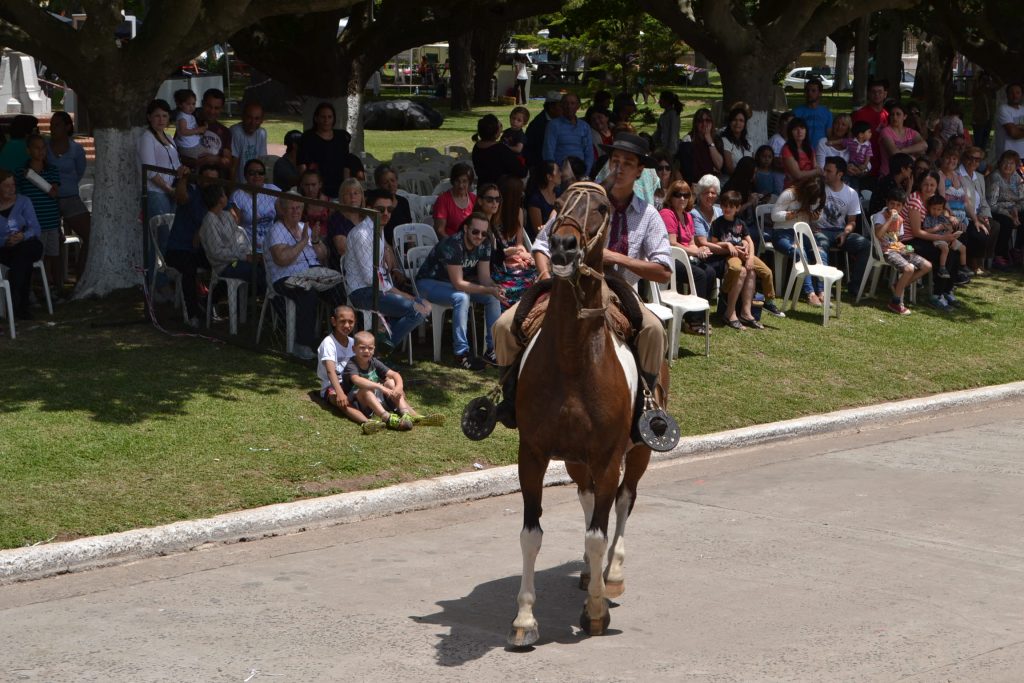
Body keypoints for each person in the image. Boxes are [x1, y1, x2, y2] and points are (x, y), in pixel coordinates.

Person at [491, 132, 671, 429]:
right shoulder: (583, 202)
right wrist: (547, 276)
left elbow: (663, 269)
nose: (620, 168)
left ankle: (646, 407)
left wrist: (615, 258)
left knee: (653, 332)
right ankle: (509, 398)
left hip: (619, 291)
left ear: (640, 171)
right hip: (565, 286)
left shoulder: (649, 215)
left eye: (628, 163)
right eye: (615, 161)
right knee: (502, 327)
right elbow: (542, 244)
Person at [344, 188, 430, 352]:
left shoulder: (378, 229)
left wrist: (403, 294)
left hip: (377, 289)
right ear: (368, 207)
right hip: (362, 292)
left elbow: (379, 276)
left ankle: (378, 343)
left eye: (389, 210)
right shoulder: (362, 234)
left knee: (425, 306)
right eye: (380, 209)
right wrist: (403, 295)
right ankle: (378, 349)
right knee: (417, 310)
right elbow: (370, 279)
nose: (386, 213)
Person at [415, 212, 504, 371]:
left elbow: (484, 278)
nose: (479, 236)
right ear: (465, 229)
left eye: (484, 233)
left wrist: (495, 288)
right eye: (475, 231)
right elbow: (458, 284)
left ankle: (492, 349)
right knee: (462, 297)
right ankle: (461, 353)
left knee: (492, 298)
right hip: (428, 283)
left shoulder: (485, 244)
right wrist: (488, 289)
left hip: (452, 284)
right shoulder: (453, 244)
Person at [265, 191, 346, 360]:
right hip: (286, 277)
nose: (296, 211)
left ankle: (340, 341)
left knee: (340, 289)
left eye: (299, 208)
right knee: (307, 294)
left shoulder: (305, 227)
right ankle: (302, 344)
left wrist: (315, 240)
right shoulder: (276, 229)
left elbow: (323, 256)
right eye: (291, 208)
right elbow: (281, 259)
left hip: (314, 274)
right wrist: (303, 242)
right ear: (282, 210)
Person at [706, 191, 778, 330]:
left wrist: (750, 257)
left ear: (737, 208)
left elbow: (749, 241)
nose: (727, 209)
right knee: (736, 269)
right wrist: (728, 245)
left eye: (731, 206)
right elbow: (714, 243)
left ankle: (769, 301)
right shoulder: (718, 223)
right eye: (725, 206)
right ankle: (725, 293)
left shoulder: (740, 223)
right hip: (731, 255)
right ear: (721, 206)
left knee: (766, 271)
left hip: (745, 255)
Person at [660, 179, 720, 334]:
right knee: (699, 275)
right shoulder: (668, 214)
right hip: (669, 259)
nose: (682, 199)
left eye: (686, 195)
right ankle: (693, 322)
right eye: (677, 195)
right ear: (670, 196)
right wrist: (695, 252)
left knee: (710, 272)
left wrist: (702, 249)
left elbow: (691, 242)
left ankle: (697, 316)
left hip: (685, 258)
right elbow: (672, 243)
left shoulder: (687, 216)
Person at [343, 331, 431, 434]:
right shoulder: (352, 364)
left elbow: (395, 375)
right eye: (362, 348)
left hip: (376, 397)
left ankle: (406, 414)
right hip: (360, 401)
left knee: (391, 382)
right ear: (354, 349)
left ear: (374, 349)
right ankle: (387, 418)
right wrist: (381, 387)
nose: (366, 351)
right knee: (366, 390)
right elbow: (356, 380)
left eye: (370, 348)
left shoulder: (374, 362)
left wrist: (399, 386)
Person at [165, 164, 219, 326]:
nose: (209, 183)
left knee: (226, 264)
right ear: (199, 179)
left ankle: (209, 301)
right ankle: (192, 314)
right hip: (179, 250)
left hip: (202, 250)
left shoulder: (217, 199)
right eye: (206, 179)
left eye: (213, 180)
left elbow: (232, 217)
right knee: (188, 270)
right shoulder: (193, 193)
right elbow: (181, 198)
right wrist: (184, 178)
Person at [903, 171, 961, 310]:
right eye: (926, 184)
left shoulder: (932, 197)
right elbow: (917, 232)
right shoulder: (915, 201)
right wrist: (943, 238)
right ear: (920, 185)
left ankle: (947, 290)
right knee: (944, 255)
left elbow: (943, 210)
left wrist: (950, 216)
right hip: (908, 242)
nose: (929, 188)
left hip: (924, 237)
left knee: (955, 252)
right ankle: (936, 295)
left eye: (932, 185)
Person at [871, 189, 931, 315]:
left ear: (902, 206)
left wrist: (907, 248)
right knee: (909, 269)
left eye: (898, 205)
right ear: (887, 203)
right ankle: (896, 301)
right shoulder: (880, 216)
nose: (895, 207)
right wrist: (889, 221)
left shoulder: (900, 219)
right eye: (892, 204)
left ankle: (897, 286)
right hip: (884, 251)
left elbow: (897, 239)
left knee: (927, 266)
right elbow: (878, 234)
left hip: (897, 249)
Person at [45, 110, 90, 275]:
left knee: (90, 235)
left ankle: (81, 275)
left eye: (56, 125)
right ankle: (56, 285)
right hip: (49, 200)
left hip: (70, 198)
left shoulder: (76, 149)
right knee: (54, 242)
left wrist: (67, 187)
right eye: (51, 125)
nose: (52, 128)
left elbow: (79, 171)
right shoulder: (45, 146)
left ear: (67, 127)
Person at [772, 175, 828, 305]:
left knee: (821, 252)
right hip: (783, 232)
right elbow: (774, 215)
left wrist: (815, 217)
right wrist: (791, 214)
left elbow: (819, 218)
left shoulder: (818, 197)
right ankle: (810, 293)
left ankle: (822, 291)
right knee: (800, 252)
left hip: (803, 233)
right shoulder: (789, 194)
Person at [818, 156, 870, 294]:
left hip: (840, 231)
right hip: (820, 230)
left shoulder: (851, 193)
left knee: (865, 245)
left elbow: (852, 221)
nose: (825, 173)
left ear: (840, 174)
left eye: (829, 171)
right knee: (820, 244)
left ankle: (854, 285)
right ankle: (822, 288)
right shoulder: (819, 188)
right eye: (825, 170)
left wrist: (845, 233)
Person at [199, 182, 265, 291]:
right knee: (255, 272)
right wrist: (244, 257)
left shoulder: (226, 215)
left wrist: (249, 255)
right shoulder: (209, 221)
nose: (227, 197)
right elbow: (216, 252)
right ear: (220, 199)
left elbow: (238, 239)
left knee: (263, 264)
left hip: (237, 260)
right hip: (227, 265)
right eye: (224, 195)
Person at [16, 134, 61, 293]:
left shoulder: (52, 170)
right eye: (37, 148)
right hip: (34, 225)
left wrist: (47, 186)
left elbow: (55, 192)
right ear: (29, 150)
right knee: (36, 258)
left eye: (43, 148)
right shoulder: (21, 173)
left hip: (51, 222)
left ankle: (49, 287)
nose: (41, 151)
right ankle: (33, 290)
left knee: (51, 256)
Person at [0, 169, 44, 320]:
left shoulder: (24, 201)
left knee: (22, 255)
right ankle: (21, 306)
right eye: (6, 186)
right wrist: (4, 241)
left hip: (28, 243)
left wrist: (22, 236)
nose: (11, 189)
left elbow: (36, 228)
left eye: (13, 185)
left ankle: (16, 300)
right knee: (22, 262)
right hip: (5, 249)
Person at [488, 176, 537, 308]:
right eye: (519, 193)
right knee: (518, 284)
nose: (522, 195)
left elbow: (519, 243)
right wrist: (507, 256)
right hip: (497, 264)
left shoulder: (518, 212)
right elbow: (492, 254)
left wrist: (524, 255)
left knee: (539, 276)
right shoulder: (493, 216)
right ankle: (511, 316)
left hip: (513, 258)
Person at [938, 149, 987, 274]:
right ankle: (955, 270)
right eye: (948, 158)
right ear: (942, 159)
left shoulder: (958, 176)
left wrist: (975, 219)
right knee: (960, 232)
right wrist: (952, 216)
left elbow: (966, 202)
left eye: (954, 159)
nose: (951, 161)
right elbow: (942, 200)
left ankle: (962, 268)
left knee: (978, 231)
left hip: (962, 216)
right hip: (947, 215)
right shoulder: (939, 175)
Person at [297, 101, 359, 198]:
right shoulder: (308, 138)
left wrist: (345, 186)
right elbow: (302, 165)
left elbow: (346, 164)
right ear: (316, 118)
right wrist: (307, 187)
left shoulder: (341, 137)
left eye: (330, 117)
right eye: (323, 117)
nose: (326, 120)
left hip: (338, 186)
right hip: (316, 188)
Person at [138, 99, 181, 219]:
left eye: (164, 116)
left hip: (172, 191)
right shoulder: (147, 138)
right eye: (157, 116)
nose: (161, 120)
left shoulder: (169, 138)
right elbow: (150, 171)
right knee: (163, 233)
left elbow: (176, 164)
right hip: (157, 193)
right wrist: (169, 190)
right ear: (149, 117)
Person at [316, 305, 360, 421]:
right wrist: (340, 393)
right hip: (332, 387)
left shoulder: (353, 343)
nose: (347, 325)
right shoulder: (328, 343)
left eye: (350, 322)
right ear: (334, 321)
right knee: (340, 401)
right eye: (342, 321)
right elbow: (330, 371)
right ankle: (366, 422)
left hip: (350, 384)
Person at [228, 158, 280, 255]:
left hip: (272, 243)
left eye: (260, 173)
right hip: (249, 246)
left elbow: (285, 211)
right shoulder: (238, 195)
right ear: (245, 176)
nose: (257, 176)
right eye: (252, 173)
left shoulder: (272, 189)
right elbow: (235, 227)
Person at [987, 150, 1024, 269]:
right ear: (1000, 163)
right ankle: (999, 254)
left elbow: (1022, 199)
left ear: (1016, 165)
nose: (1008, 166)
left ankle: (1017, 249)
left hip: (1013, 210)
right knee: (1006, 222)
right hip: (996, 210)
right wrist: (1009, 214)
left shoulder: (1016, 177)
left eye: (1012, 163)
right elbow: (992, 204)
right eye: (1005, 162)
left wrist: (1015, 210)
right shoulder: (995, 178)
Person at [851, 79, 891, 185]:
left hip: (883, 165)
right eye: (873, 92)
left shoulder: (889, 116)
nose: (876, 95)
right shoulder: (860, 114)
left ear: (885, 94)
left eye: (880, 92)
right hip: (863, 165)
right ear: (869, 94)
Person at [922, 194, 970, 280]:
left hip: (947, 237)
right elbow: (926, 231)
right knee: (945, 248)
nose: (936, 211)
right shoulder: (928, 218)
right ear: (929, 208)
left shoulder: (943, 218)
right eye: (934, 209)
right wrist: (937, 228)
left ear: (942, 210)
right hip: (937, 238)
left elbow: (950, 228)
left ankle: (963, 266)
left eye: (939, 209)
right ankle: (942, 268)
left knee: (963, 248)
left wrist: (951, 231)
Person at [542, 92, 595, 171]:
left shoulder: (584, 126)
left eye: (572, 103)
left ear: (578, 106)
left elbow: (589, 153)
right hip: (560, 171)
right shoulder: (553, 125)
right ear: (561, 105)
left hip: (580, 171)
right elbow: (548, 151)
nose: (569, 106)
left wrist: (585, 173)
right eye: (566, 103)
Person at [472, 114, 526, 187]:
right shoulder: (500, 149)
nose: (501, 128)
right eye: (500, 126)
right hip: (498, 192)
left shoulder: (477, 147)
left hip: (482, 188)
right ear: (496, 132)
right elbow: (521, 172)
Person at [878, 103, 927, 178]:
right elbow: (894, 153)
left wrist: (901, 150)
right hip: (888, 174)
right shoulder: (886, 131)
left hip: (907, 176)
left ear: (905, 116)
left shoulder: (911, 132)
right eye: (892, 114)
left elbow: (924, 145)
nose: (894, 117)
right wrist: (912, 154)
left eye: (898, 114)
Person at [327, 178, 366, 269]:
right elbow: (343, 249)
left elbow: (383, 244)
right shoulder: (337, 218)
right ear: (342, 197)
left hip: (368, 264)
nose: (353, 197)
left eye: (356, 193)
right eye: (348, 194)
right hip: (346, 267)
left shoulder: (367, 217)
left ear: (361, 196)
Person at [432, 162, 476, 239]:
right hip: (450, 245)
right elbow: (440, 230)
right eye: (457, 181)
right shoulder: (443, 200)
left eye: (464, 181)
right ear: (452, 181)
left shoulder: (473, 199)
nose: (461, 185)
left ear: (470, 183)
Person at [195, 88, 233, 176]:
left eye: (216, 108)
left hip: (215, 180)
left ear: (222, 109)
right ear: (203, 104)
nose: (212, 111)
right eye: (209, 106)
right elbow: (177, 153)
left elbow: (228, 162)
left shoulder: (225, 132)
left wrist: (215, 159)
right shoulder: (188, 124)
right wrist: (197, 161)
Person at [372, 165, 413, 245]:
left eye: (393, 180)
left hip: (402, 249)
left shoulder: (403, 202)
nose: (391, 185)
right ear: (378, 185)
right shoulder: (376, 205)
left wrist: (410, 252)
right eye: (386, 182)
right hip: (383, 248)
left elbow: (409, 230)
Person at [229, 102, 268, 184]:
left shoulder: (262, 133)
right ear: (242, 117)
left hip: (254, 184)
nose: (253, 122)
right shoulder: (235, 132)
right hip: (239, 184)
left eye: (257, 118)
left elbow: (261, 162)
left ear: (262, 120)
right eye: (249, 117)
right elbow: (233, 165)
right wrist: (231, 189)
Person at [682, 108, 724, 182]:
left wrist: (709, 139)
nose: (704, 124)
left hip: (711, 181)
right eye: (700, 121)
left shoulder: (717, 140)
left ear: (712, 122)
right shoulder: (688, 140)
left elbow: (719, 165)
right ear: (696, 123)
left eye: (707, 120)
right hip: (694, 181)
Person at [523, 92, 561, 168]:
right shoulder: (538, 125)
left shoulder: (560, 119)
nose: (564, 108)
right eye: (560, 106)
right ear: (551, 107)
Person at [781, 117, 821, 188]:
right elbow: (798, 175)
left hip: (809, 187)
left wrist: (816, 170)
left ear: (806, 131)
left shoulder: (809, 148)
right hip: (793, 190)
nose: (799, 132)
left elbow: (815, 166)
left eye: (802, 128)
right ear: (790, 132)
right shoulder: (787, 149)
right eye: (795, 129)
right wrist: (816, 172)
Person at [524, 160, 561, 239]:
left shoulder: (559, 194)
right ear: (549, 177)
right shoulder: (536, 200)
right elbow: (538, 231)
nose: (560, 174)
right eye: (558, 171)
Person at [794, 77, 833, 149]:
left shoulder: (827, 113)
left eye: (813, 91)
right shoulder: (797, 112)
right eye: (807, 90)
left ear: (820, 93)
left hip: (821, 151)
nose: (809, 93)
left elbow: (829, 135)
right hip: (802, 150)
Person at [297, 169, 332, 244]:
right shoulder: (297, 202)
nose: (310, 189)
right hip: (303, 241)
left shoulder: (329, 203)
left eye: (313, 185)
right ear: (301, 185)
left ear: (320, 184)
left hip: (325, 241)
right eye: (307, 185)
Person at [720, 105, 752, 180]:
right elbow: (729, 168)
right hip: (730, 181)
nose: (737, 123)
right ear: (730, 122)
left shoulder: (749, 143)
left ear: (745, 124)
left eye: (741, 120)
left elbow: (753, 165)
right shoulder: (725, 140)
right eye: (734, 120)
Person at [173, 89, 206, 161]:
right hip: (188, 146)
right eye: (188, 104)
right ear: (179, 104)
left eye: (193, 104)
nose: (191, 107)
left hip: (192, 144)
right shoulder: (182, 117)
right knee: (206, 157)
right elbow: (183, 131)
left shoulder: (189, 115)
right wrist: (198, 130)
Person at [995, 83, 1024, 157]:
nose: (1015, 96)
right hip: (1007, 157)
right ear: (1007, 95)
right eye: (1012, 93)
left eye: (1018, 93)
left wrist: (1017, 128)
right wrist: (1019, 128)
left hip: (1022, 154)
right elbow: (1013, 133)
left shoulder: (1023, 109)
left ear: (1021, 95)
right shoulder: (1003, 109)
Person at [769, 111, 794, 193]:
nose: (788, 126)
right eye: (786, 122)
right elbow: (774, 161)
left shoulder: (792, 141)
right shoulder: (776, 139)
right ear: (781, 124)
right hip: (778, 178)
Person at [845, 120, 874, 189]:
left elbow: (868, 155)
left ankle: (855, 193)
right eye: (869, 132)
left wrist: (864, 164)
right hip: (852, 162)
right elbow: (842, 141)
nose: (871, 133)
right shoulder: (852, 141)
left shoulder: (868, 144)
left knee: (856, 180)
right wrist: (832, 142)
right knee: (848, 176)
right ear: (861, 134)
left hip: (861, 164)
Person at [653, 90, 681, 158]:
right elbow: (659, 131)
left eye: (661, 99)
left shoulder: (673, 115)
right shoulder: (663, 115)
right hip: (662, 148)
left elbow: (673, 134)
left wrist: (671, 151)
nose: (659, 101)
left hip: (670, 150)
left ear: (667, 101)